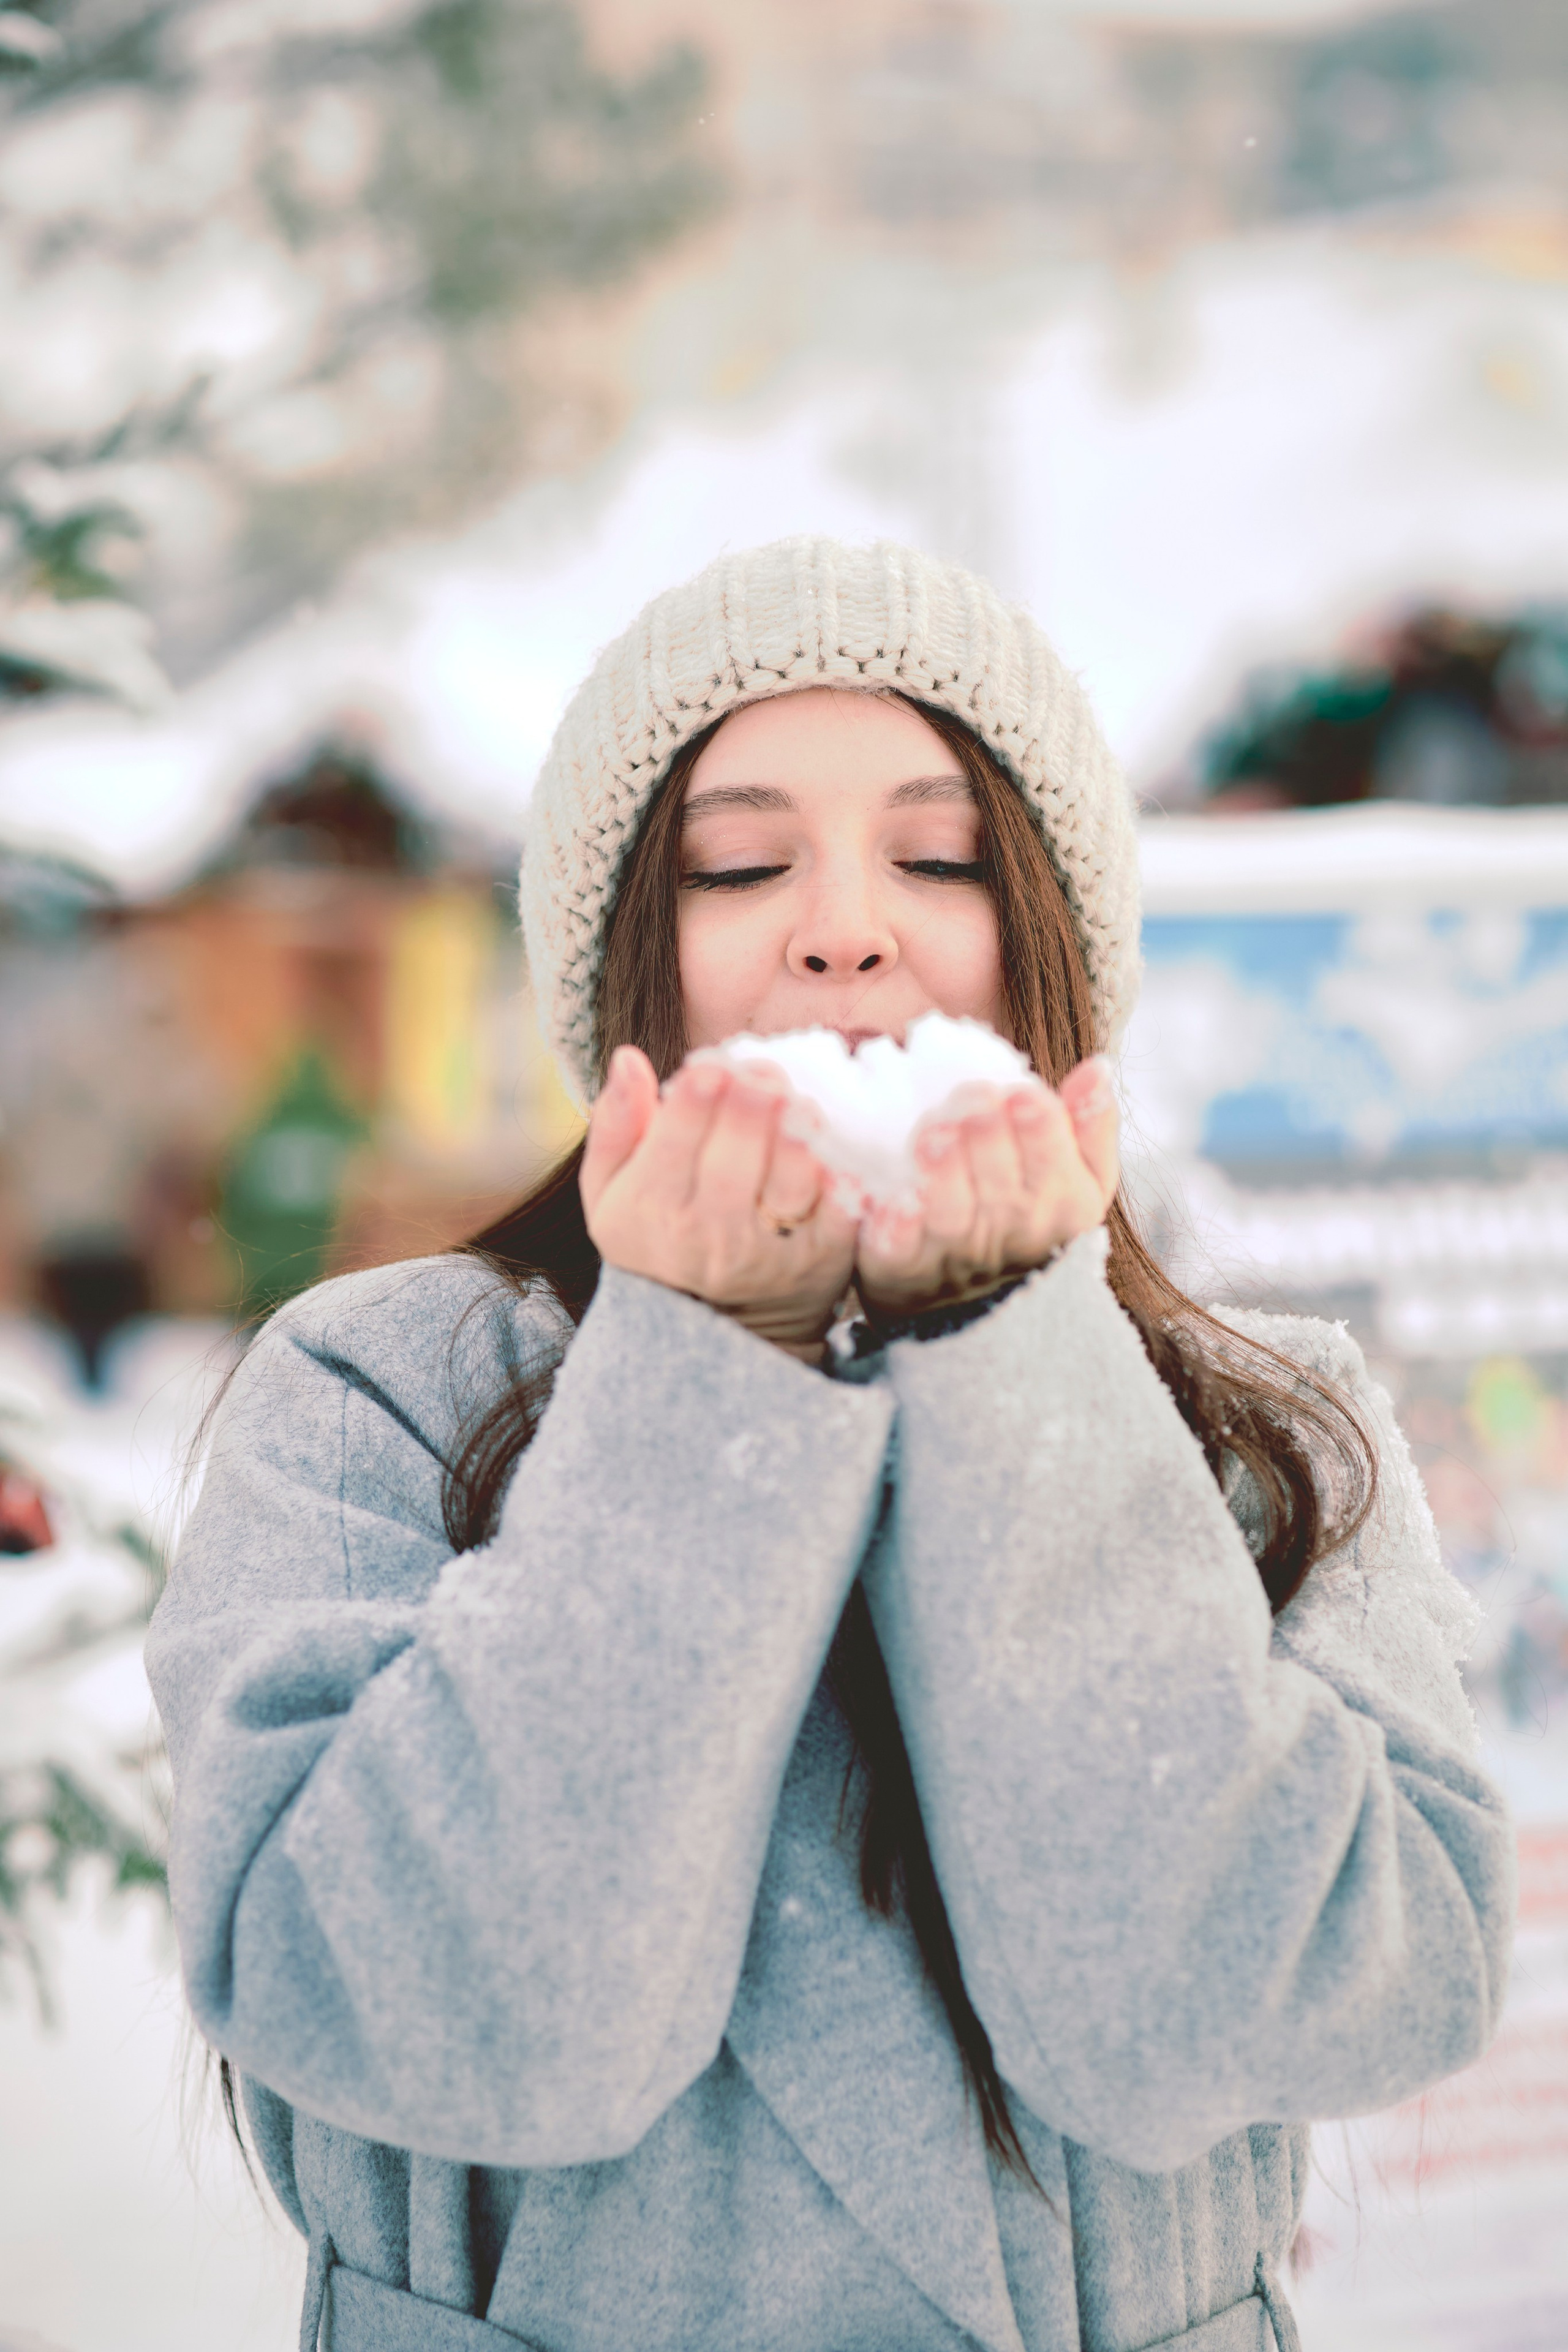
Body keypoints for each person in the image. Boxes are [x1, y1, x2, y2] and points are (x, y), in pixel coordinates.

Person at [146, 538, 1513, 2352]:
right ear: (627, 968)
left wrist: (1018, 1356)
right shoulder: (372, 1389)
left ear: (1050, 952)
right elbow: (434, 2014)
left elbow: (1297, 2003)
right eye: (738, 862)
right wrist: (709, 1361)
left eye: (938, 856)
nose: (844, 925)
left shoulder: (1271, 1416)